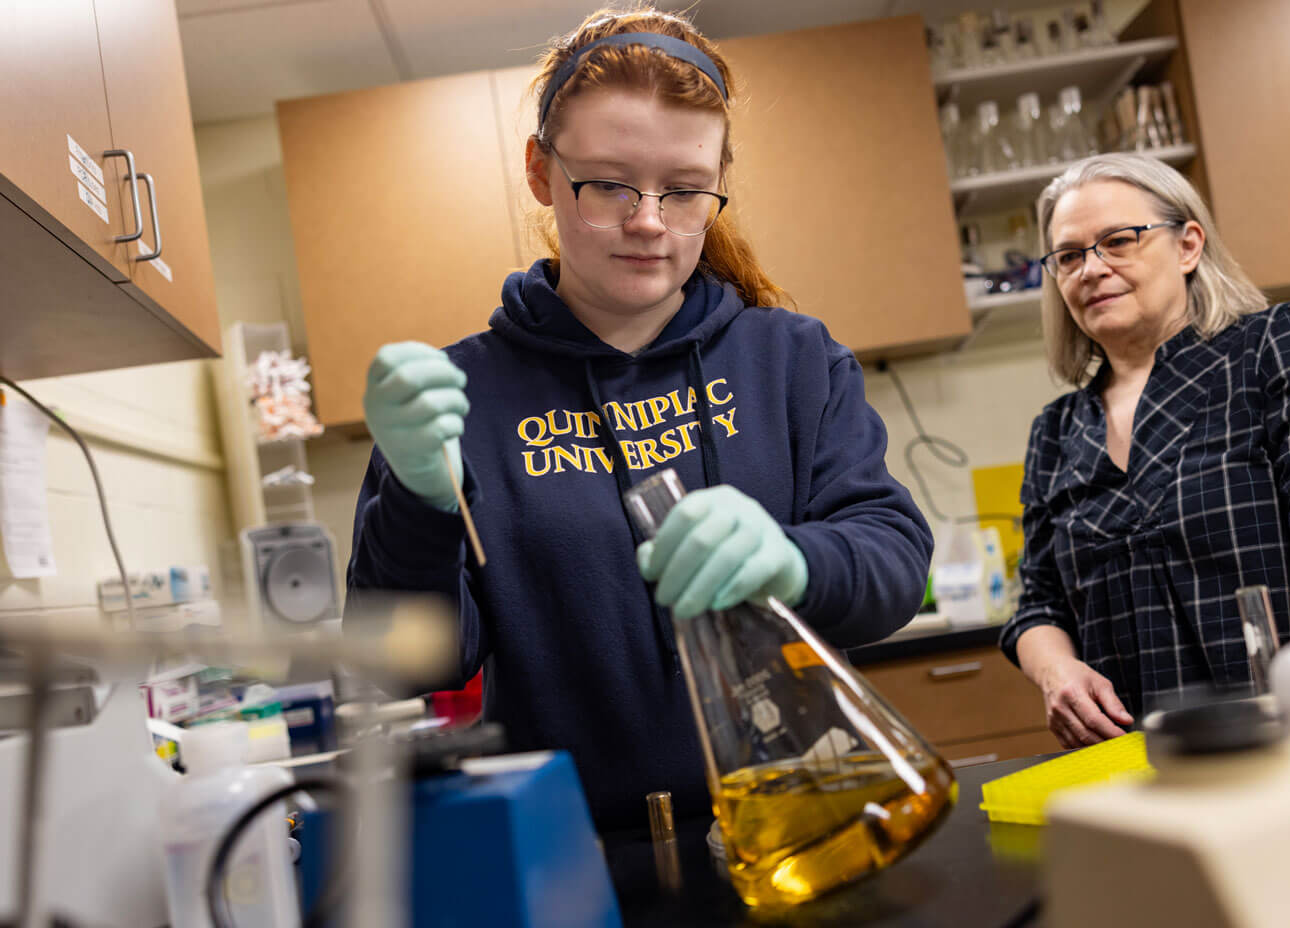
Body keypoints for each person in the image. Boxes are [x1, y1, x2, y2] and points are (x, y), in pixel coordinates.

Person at [348, 7, 931, 827]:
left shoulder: (792, 361)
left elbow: (895, 565)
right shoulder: (459, 397)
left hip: (806, 828)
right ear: (541, 172)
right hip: (572, 857)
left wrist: (795, 560)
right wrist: (416, 500)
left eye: (686, 190)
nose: (649, 221)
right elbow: (402, 666)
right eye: (610, 184)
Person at [1001, 153, 1290, 748]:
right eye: (1068, 256)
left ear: (1188, 245)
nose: (1091, 269)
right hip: (1136, 760)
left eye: (1118, 241)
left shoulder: (1280, 342)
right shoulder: (1056, 430)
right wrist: (1056, 673)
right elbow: (1037, 604)